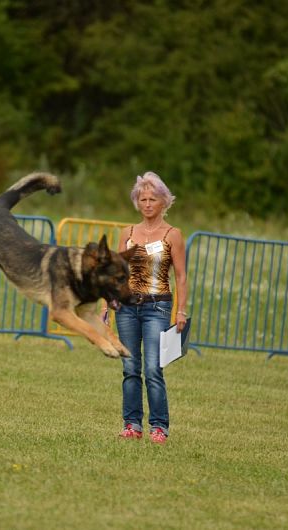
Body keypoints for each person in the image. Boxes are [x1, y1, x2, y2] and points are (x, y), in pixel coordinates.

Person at [115, 171, 188, 445]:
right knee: (130, 367)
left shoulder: (173, 235)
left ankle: (159, 426)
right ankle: (131, 424)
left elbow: (180, 276)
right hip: (126, 307)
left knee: (154, 368)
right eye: (142, 199)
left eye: (152, 199)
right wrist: (106, 304)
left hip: (157, 307)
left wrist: (180, 311)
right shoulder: (128, 233)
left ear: (164, 202)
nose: (147, 204)